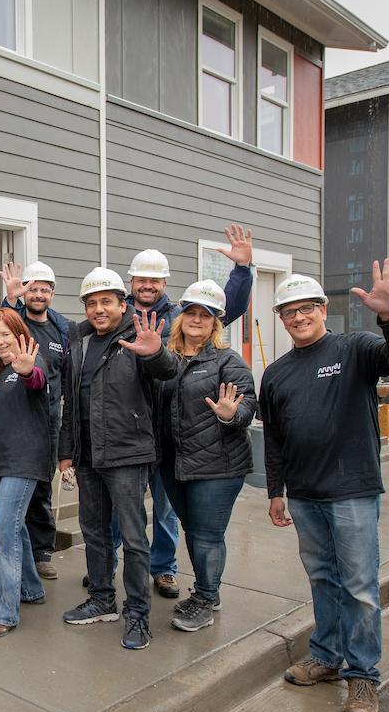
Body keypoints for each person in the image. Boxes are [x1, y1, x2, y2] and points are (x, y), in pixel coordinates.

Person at [259, 263, 389, 712]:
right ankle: (326, 656)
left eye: (306, 308)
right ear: (281, 319)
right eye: (289, 312)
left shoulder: (356, 349)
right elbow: (275, 440)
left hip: (352, 492)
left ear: (323, 310)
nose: (298, 317)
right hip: (304, 496)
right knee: (323, 579)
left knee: (361, 587)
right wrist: (275, 491)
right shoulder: (276, 374)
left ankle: (362, 675)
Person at [122, 226, 253, 600]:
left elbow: (229, 306)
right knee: (126, 509)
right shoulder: (119, 313)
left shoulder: (181, 316)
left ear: (164, 284)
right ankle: (115, 567)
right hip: (138, 435)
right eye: (141, 279)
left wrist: (242, 271)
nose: (147, 285)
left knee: (167, 512)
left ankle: (164, 570)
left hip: (187, 448)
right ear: (131, 282)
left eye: (155, 280)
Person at [57, 267, 176, 651]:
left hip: (127, 454)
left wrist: (156, 352)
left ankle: (138, 613)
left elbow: (168, 371)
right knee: (94, 531)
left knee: (133, 536)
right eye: (91, 303)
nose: (98, 309)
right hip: (89, 455)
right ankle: (102, 598)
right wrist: (66, 452)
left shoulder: (138, 337)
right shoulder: (80, 341)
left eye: (106, 301)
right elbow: (71, 403)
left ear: (122, 304)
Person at [155, 280, 256, 632]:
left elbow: (247, 406)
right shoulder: (167, 359)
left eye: (206, 315)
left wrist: (231, 414)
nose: (197, 319)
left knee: (207, 535)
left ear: (216, 323)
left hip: (218, 465)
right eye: (191, 312)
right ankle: (208, 591)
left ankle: (204, 598)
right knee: (192, 530)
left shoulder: (227, 360)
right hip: (174, 463)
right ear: (180, 317)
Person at [0, 310, 51, 638]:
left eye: (6, 333)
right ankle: (32, 589)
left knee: (3, 533)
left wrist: (27, 371)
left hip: (22, 463)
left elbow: (36, 379)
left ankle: (4, 611)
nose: (0, 341)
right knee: (15, 529)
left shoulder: (32, 363)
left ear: (20, 333)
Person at [0, 260, 70, 580]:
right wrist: (9, 299)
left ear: (53, 293)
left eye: (45, 289)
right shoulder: (14, 321)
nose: (38, 294)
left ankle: (42, 551)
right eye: (32, 288)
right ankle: (20, 545)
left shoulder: (63, 329)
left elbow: (69, 373)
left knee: (41, 482)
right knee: (13, 482)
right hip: (14, 413)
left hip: (48, 416)